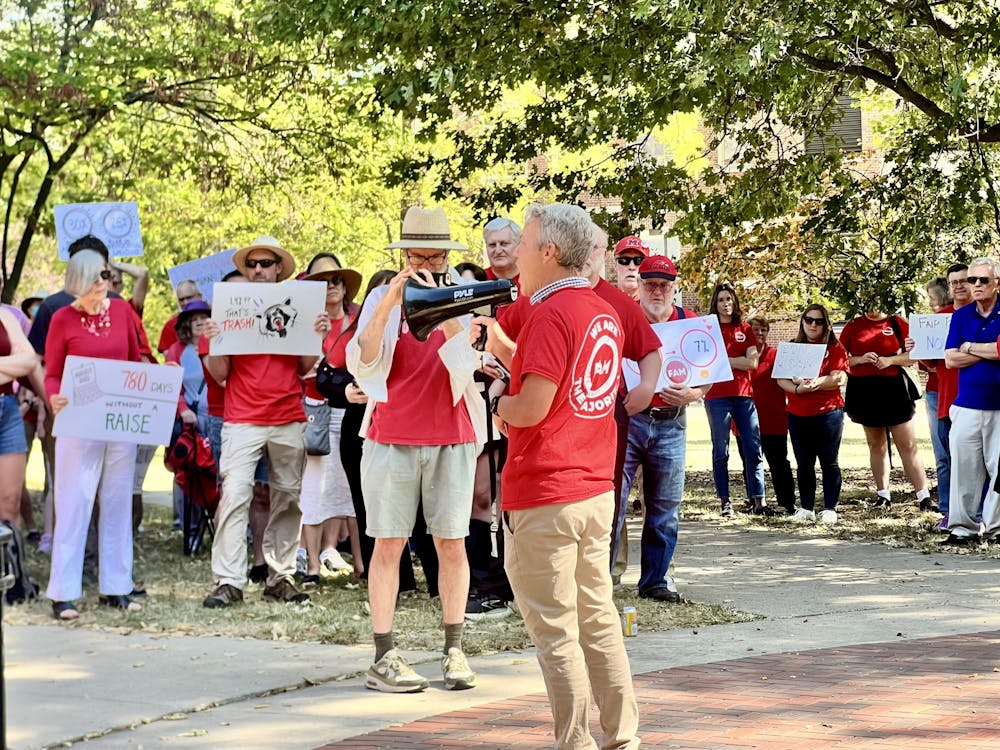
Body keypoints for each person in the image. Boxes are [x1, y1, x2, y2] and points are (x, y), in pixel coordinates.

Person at [487, 203, 639, 750]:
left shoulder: (550, 313)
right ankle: (623, 737)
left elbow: (532, 406)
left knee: (556, 632)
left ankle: (573, 743)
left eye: (523, 245)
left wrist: (498, 399)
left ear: (549, 252)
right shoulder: (600, 307)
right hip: (595, 486)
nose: (517, 256)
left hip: (547, 489)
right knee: (597, 618)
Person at [346, 206, 483, 693]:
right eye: (417, 256)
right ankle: (383, 656)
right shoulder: (383, 297)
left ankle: (454, 649)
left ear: (447, 255)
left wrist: (445, 310)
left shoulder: (463, 297)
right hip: (390, 437)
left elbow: (469, 364)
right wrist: (392, 300)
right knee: (387, 543)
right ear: (403, 255)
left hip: (452, 435)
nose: (428, 264)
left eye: (436, 256)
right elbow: (362, 359)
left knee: (451, 543)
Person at [201, 235, 330, 608]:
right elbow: (220, 374)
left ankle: (281, 577)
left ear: (278, 270)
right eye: (252, 264)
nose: (258, 270)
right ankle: (229, 581)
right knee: (235, 495)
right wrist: (216, 342)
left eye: (265, 264)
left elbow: (305, 369)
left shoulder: (299, 307)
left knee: (287, 499)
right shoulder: (230, 307)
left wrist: (315, 335)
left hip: (288, 415)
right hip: (242, 418)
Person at [44, 249, 143, 620]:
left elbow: (135, 361)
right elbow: (52, 371)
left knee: (117, 502)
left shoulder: (121, 311)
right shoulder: (61, 319)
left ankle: (116, 586)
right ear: (77, 282)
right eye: (96, 278)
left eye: (105, 275)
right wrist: (54, 396)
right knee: (73, 502)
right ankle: (64, 592)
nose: (104, 282)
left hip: (121, 419)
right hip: (79, 421)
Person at [616, 255, 706, 605]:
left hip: (671, 420)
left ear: (674, 287)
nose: (657, 291)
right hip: (628, 420)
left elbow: (708, 376)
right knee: (614, 502)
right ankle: (600, 578)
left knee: (665, 506)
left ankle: (656, 580)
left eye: (664, 285)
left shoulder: (690, 321)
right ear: (638, 284)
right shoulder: (624, 317)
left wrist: (694, 393)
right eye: (650, 283)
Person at [298, 255, 364, 583]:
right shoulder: (302, 323)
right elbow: (302, 369)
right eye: (322, 282)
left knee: (354, 490)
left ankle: (363, 564)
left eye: (336, 280)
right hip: (317, 412)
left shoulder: (360, 319)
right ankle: (311, 564)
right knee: (313, 490)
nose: (331, 287)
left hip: (353, 412)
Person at [840, 309, 931, 509]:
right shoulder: (853, 325)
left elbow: (914, 356)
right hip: (864, 389)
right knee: (876, 443)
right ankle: (883, 495)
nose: (873, 307)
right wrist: (860, 359)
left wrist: (890, 360)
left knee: (907, 444)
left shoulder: (897, 322)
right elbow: (840, 358)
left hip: (894, 389)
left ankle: (923, 496)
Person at [941, 257, 1000, 544]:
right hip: (966, 405)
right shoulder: (961, 316)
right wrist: (990, 350)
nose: (975, 285)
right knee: (963, 468)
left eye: (982, 280)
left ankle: (995, 528)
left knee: (999, 469)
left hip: (998, 407)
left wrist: (970, 347)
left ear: (996, 283)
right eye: (972, 280)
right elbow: (951, 359)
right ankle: (961, 528)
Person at [703, 282, 772, 516]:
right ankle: (725, 502)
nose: (726, 304)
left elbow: (752, 363)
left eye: (729, 299)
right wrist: (735, 360)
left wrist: (723, 359)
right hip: (717, 396)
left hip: (743, 395)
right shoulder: (708, 329)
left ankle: (759, 500)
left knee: (753, 448)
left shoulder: (746, 329)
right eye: (722, 300)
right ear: (716, 303)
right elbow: (706, 360)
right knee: (721, 450)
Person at [777, 305, 849, 524]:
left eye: (818, 321)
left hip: (828, 412)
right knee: (804, 462)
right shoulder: (792, 347)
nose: (813, 325)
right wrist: (799, 389)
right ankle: (806, 507)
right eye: (808, 320)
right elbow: (781, 380)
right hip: (798, 412)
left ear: (826, 324)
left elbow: (839, 378)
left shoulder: (834, 347)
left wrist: (816, 383)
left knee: (829, 462)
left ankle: (830, 508)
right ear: (802, 322)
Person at [929, 264, 972, 528]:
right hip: (945, 397)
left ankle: (980, 513)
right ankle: (948, 511)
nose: (958, 286)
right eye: (953, 282)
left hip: (978, 398)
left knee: (979, 460)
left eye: (963, 280)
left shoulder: (982, 315)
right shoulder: (940, 317)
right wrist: (918, 348)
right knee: (945, 459)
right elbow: (930, 364)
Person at [1, 302, 38, 603]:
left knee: (10, 504)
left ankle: (12, 580)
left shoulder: (5, 315)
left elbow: (27, 361)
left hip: (7, 410)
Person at [748, 317, 796, 513]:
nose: (760, 333)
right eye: (756, 330)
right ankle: (756, 502)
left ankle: (787, 503)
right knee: (750, 461)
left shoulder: (776, 356)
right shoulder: (744, 356)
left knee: (779, 462)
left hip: (774, 419)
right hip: (747, 418)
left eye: (764, 330)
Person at [157, 280, 203, 355]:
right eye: (181, 300)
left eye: (189, 298)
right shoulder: (170, 326)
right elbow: (170, 360)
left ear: (199, 296)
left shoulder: (212, 318)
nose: (185, 302)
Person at [612, 235, 648, 301]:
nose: (632, 267)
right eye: (624, 260)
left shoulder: (654, 307)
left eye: (639, 261)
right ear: (615, 265)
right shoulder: (603, 304)